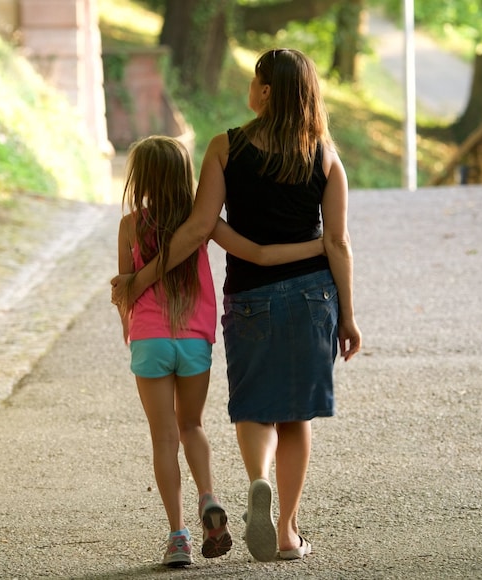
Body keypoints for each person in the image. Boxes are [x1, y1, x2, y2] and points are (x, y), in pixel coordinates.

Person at [112, 49, 362, 563]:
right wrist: (350, 317)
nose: (250, 87)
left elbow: (199, 227)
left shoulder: (226, 147)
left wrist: (140, 280)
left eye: (255, 80)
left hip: (250, 297)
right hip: (314, 295)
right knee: (296, 417)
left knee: (254, 408)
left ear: (266, 91)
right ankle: (288, 532)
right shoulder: (325, 156)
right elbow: (338, 243)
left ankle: (258, 482)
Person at [116, 135, 324, 567]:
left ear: (140, 179)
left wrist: (130, 329)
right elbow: (258, 253)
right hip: (194, 341)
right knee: (192, 426)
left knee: (164, 437)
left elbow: (126, 291)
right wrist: (322, 245)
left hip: (150, 342)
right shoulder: (202, 222)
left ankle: (178, 538)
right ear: (185, 175)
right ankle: (208, 495)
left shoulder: (131, 226)